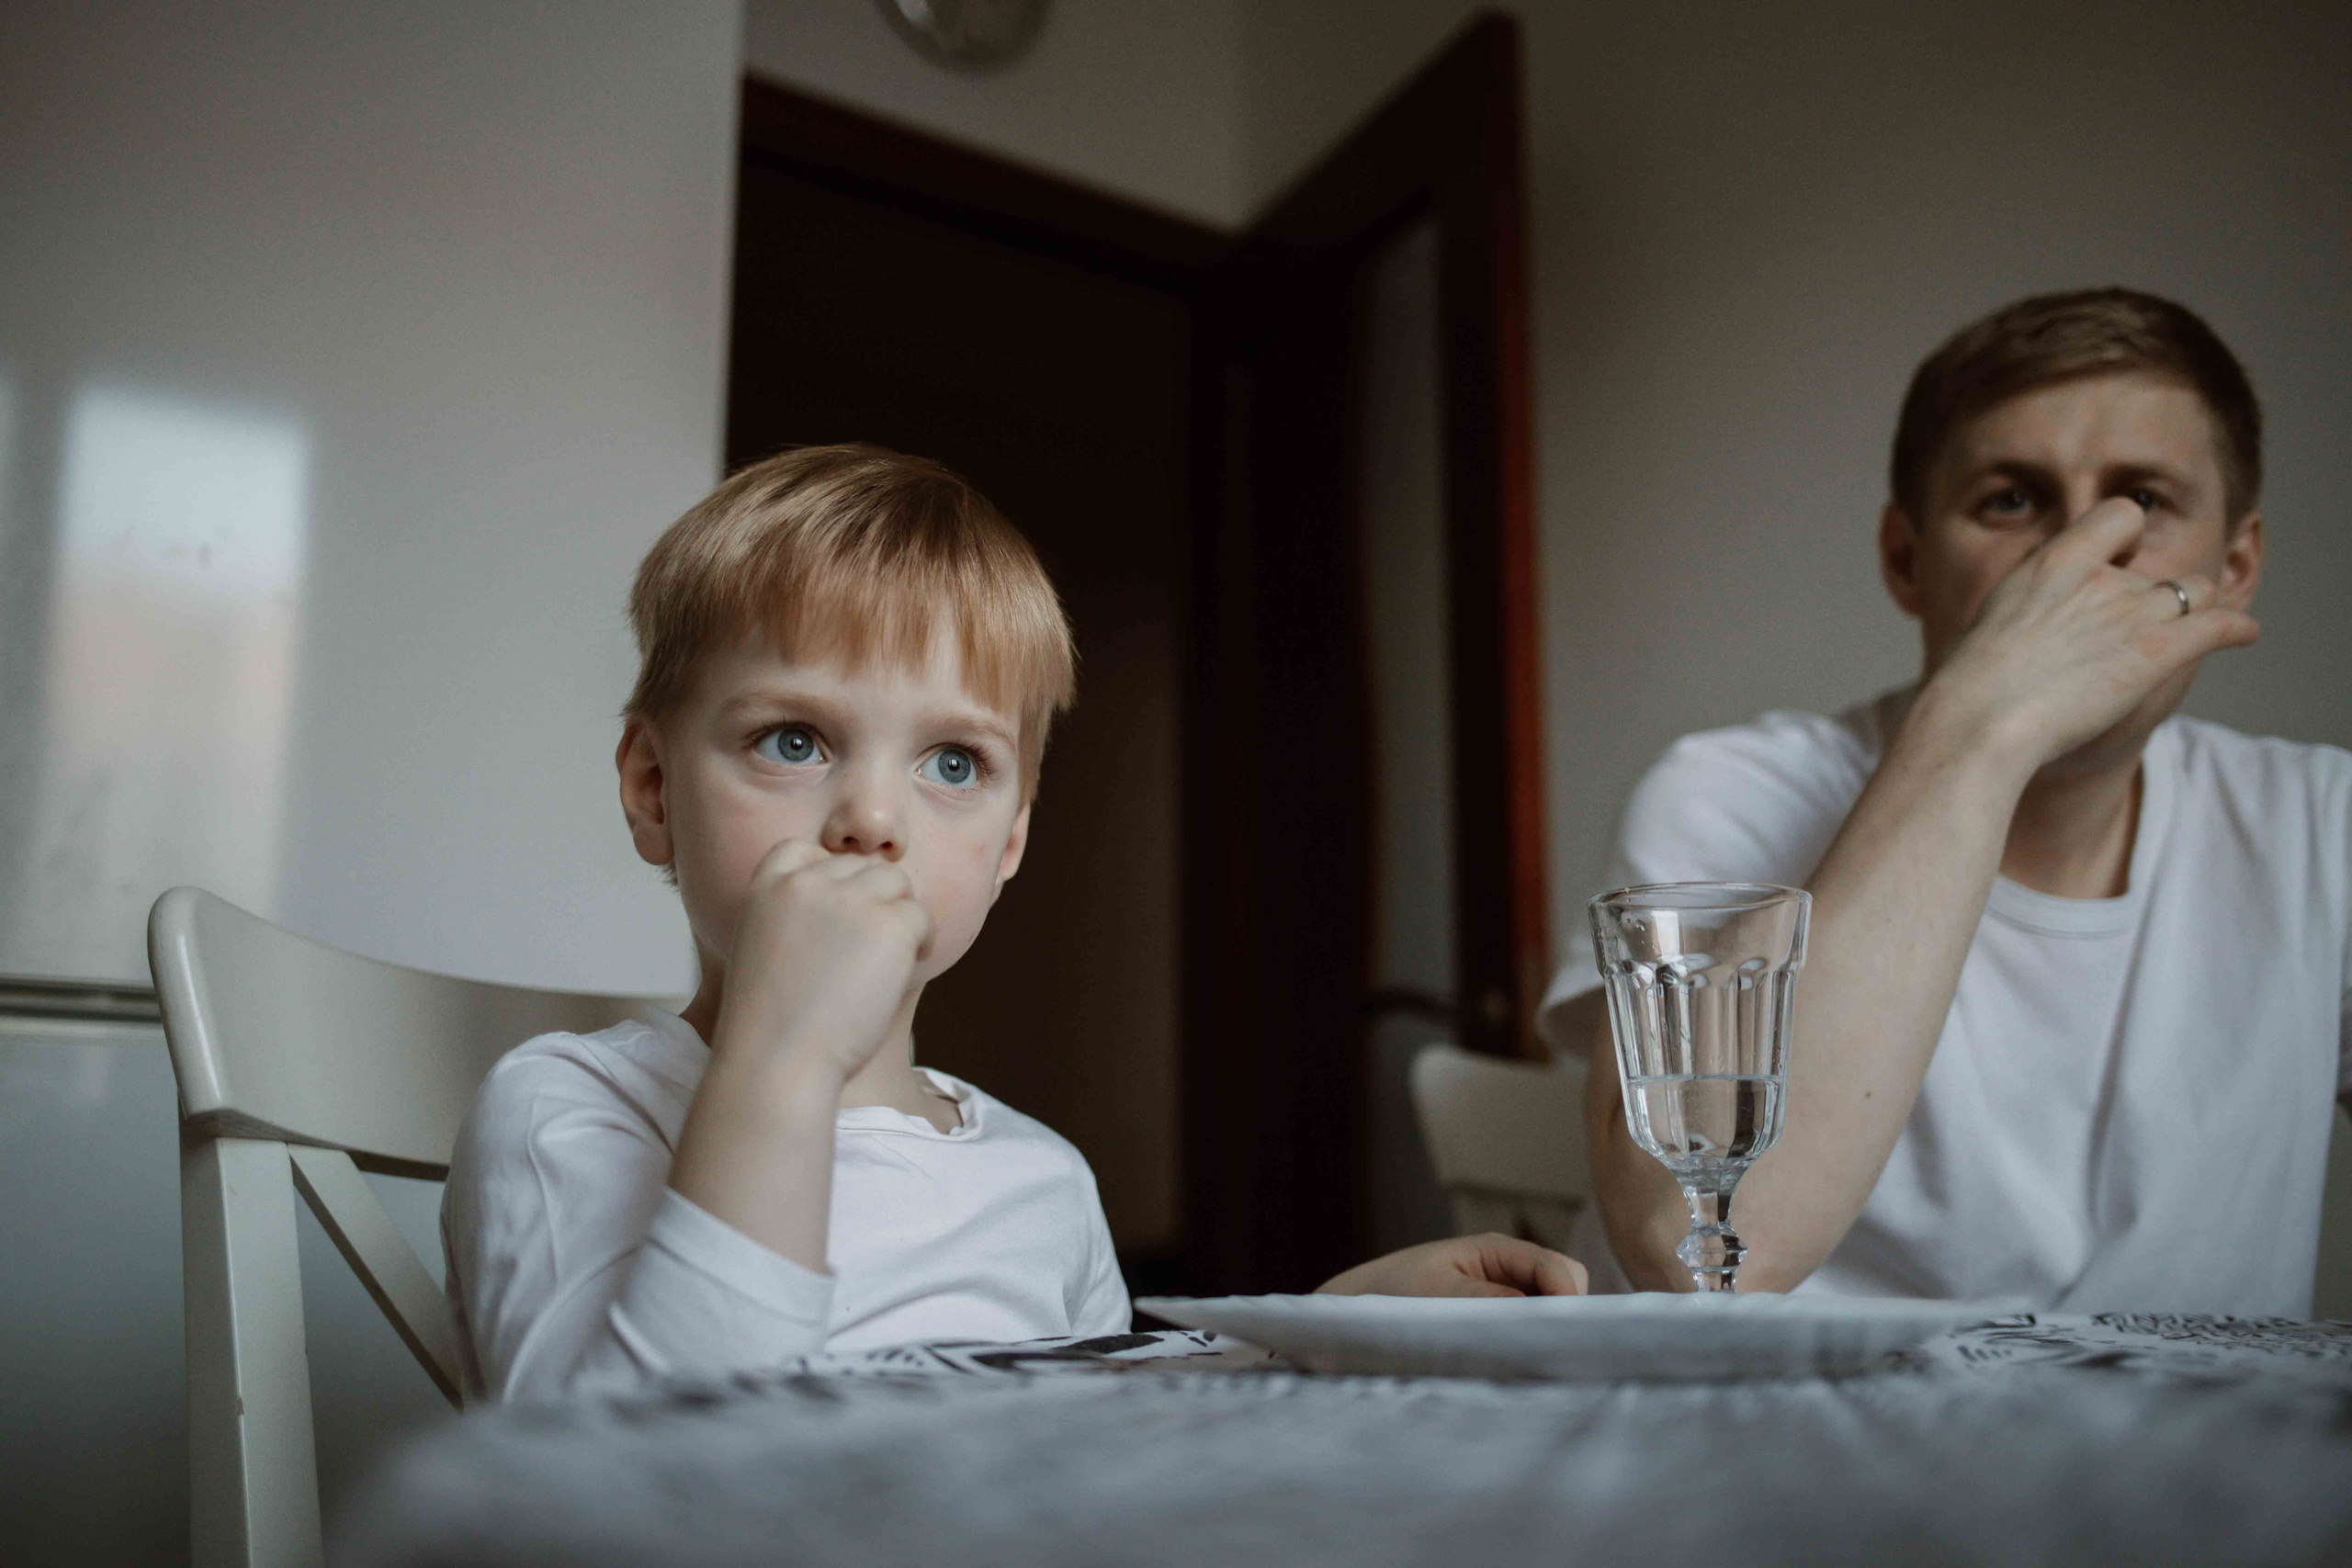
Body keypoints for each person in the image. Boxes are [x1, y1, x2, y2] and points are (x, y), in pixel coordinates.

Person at [445, 444, 1586, 1402]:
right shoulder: (569, 1110)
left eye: (953, 762)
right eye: (793, 739)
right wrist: (784, 1055)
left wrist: (1305, 1336)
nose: (873, 818)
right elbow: (625, 1506)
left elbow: (1074, 1447)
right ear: (653, 789)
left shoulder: (1039, 1178)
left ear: (1009, 847)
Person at [1544, 288, 2351, 1315]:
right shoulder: (1726, 795)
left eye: (2140, 501)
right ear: (1904, 558)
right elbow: (1696, 1248)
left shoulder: (2322, 828)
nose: (2078, 561)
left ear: (2231, 570)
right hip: (1779, 1458)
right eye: (2011, 501)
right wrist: (1986, 722)